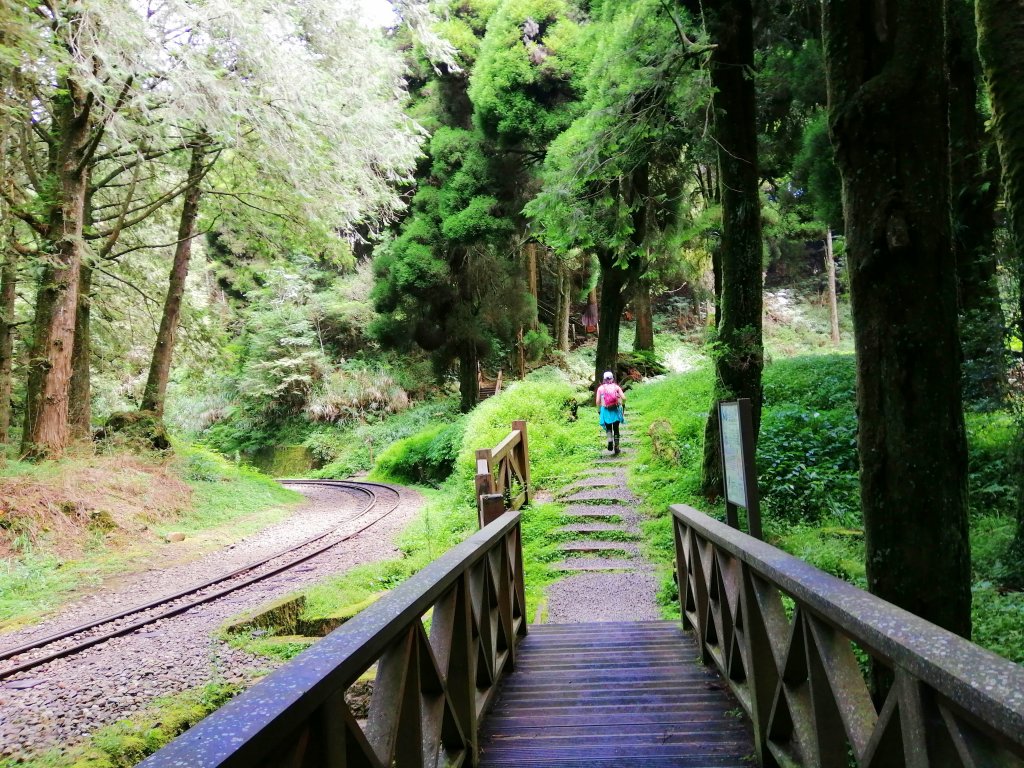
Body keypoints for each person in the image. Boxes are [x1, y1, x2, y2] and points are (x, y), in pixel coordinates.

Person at [595, 371, 625, 454]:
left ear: (604, 379)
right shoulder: (616, 387)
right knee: (616, 428)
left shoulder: (600, 388)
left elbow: (597, 402)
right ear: (612, 378)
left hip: (605, 411)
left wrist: (599, 410)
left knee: (608, 428)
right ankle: (617, 447)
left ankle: (610, 440)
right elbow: (624, 397)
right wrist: (622, 404)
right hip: (615, 409)